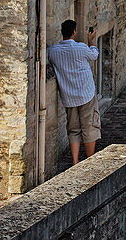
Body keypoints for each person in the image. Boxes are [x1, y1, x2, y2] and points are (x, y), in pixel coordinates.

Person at [48, 19, 100, 165]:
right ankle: (89, 161)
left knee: (73, 129)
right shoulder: (81, 47)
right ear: (74, 32)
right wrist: (92, 41)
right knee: (89, 126)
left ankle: (75, 161)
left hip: (68, 95)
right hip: (85, 93)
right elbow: (94, 55)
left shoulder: (52, 51)